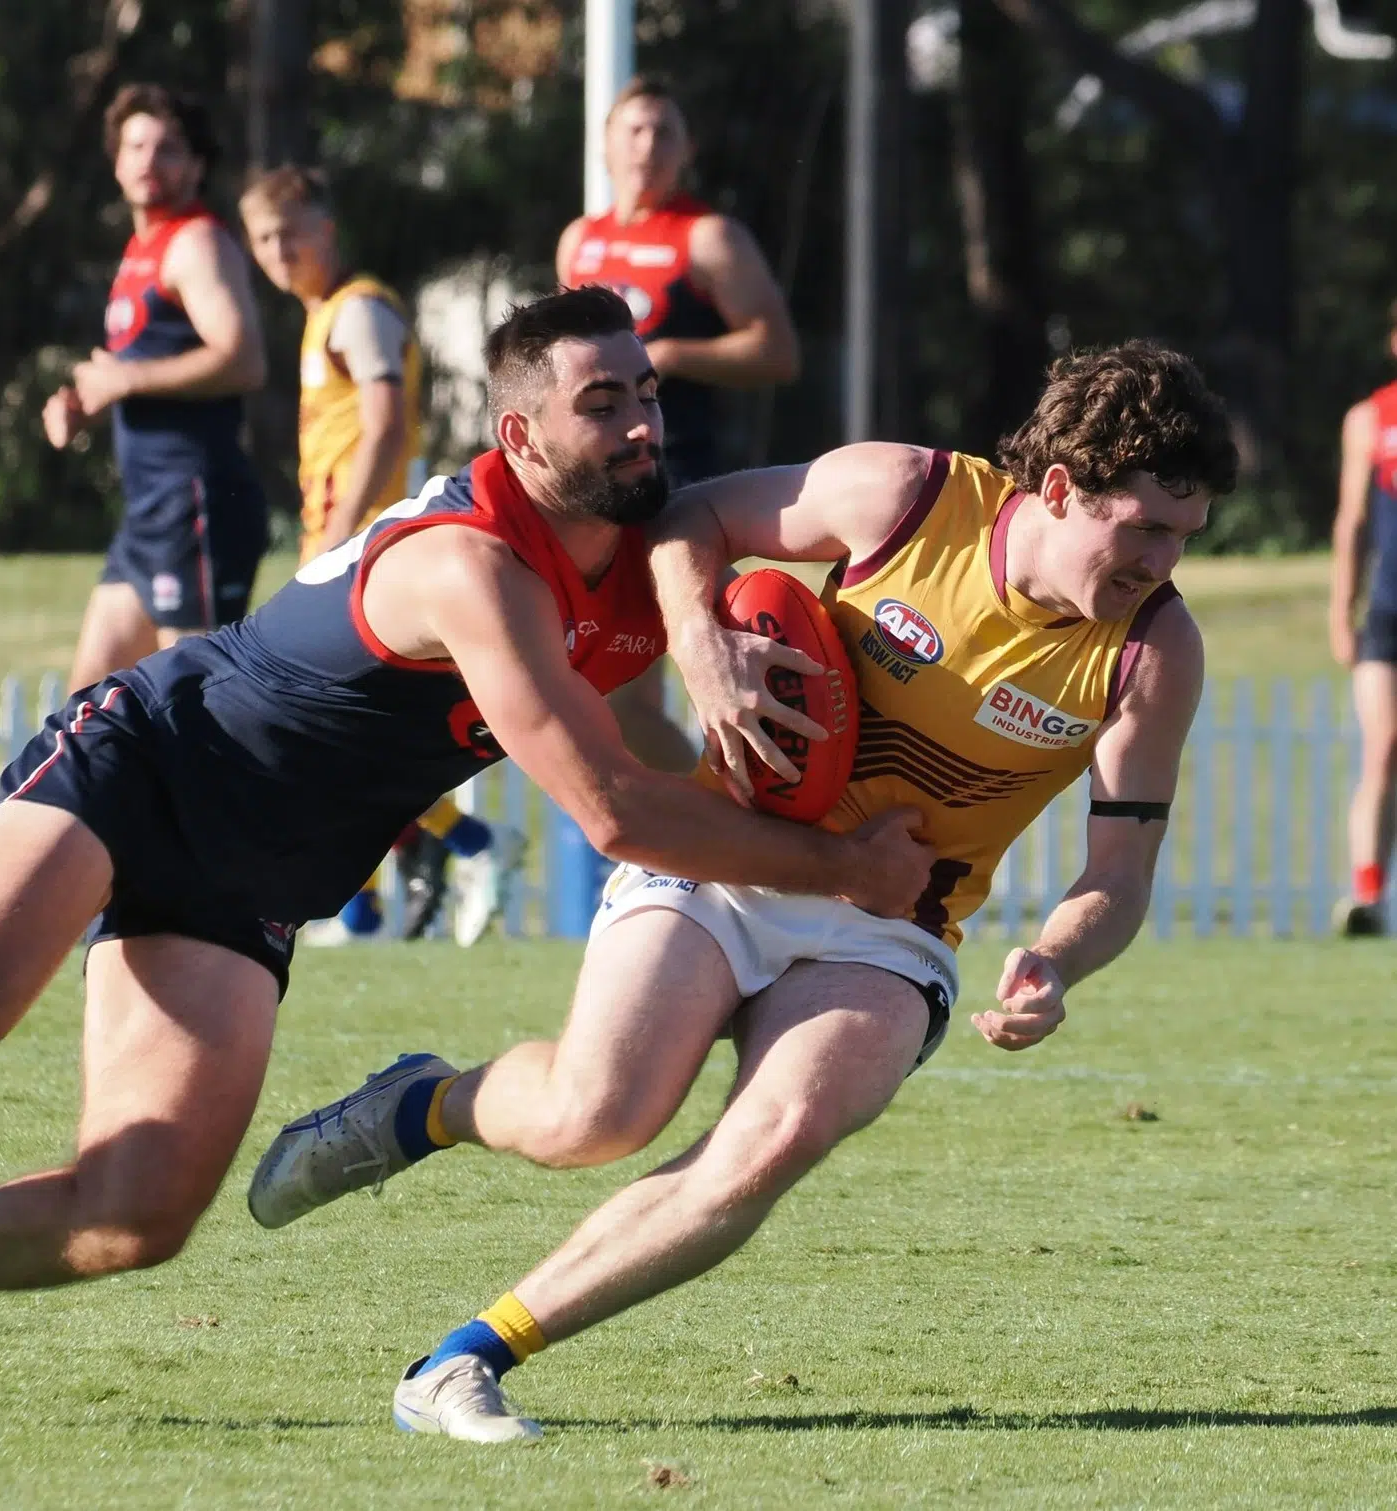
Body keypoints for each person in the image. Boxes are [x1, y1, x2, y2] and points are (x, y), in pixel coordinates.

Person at [0, 287, 933, 1432]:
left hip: (257, 876)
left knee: (133, 1215)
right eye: (600, 404)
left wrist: (745, 715)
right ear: (519, 432)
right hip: (152, 759)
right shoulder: (471, 563)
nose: (639, 426)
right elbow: (609, 806)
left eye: (647, 395)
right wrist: (839, 867)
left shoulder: (624, 551)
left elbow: (655, 732)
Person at [249, 342, 1241, 1443]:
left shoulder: (1152, 651)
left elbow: (1117, 874)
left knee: (768, 1142)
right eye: (1142, 526)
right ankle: (420, 1103)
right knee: (597, 1115)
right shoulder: (908, 498)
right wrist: (702, 646)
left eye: (1181, 536)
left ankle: (462, 1360)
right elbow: (690, 521)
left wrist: (1055, 959)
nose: (1159, 559)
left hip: (894, 928)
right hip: (733, 855)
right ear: (1059, 489)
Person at [239, 162, 523, 946]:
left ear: (326, 230)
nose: (276, 250)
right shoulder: (325, 313)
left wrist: (339, 537)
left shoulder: (358, 312)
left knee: (323, 725)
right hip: (343, 540)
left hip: (365, 550)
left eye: (289, 232)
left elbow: (386, 425)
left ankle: (464, 851)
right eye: (262, 238)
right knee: (340, 732)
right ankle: (366, 909)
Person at [559, 75, 801, 775]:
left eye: (665, 131)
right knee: (612, 703)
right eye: (633, 129)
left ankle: (738, 830)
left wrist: (668, 356)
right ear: (605, 144)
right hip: (597, 496)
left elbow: (777, 350)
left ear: (688, 148)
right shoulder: (581, 241)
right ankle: (701, 829)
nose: (648, 145)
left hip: (680, 487)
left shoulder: (708, 237)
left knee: (713, 678)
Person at [43, 84, 270, 691]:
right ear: (116, 162)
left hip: (197, 504)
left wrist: (126, 378)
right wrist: (84, 404)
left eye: (168, 148)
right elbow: (141, 375)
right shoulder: (141, 249)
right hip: (148, 517)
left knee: (193, 707)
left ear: (197, 165)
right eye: (135, 145)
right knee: (89, 708)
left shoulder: (197, 243)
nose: (148, 160)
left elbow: (244, 360)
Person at [1327, 300, 1397, 936]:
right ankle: (1367, 895)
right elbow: (1352, 521)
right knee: (1384, 747)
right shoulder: (1370, 418)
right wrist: (1339, 611)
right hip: (1388, 614)